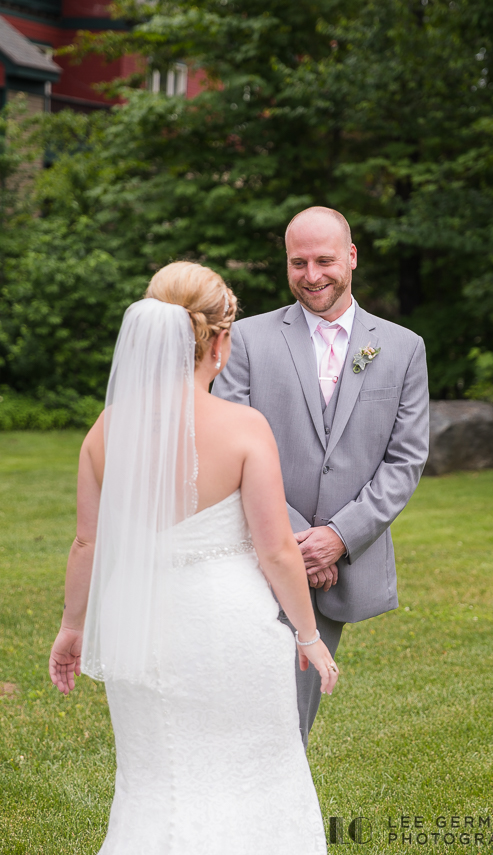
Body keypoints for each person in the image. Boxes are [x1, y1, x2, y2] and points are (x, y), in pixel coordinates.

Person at [49, 261, 339, 855]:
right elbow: (277, 548)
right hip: (228, 628)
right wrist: (308, 635)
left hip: (141, 627)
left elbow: (88, 542)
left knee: (157, 780)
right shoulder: (243, 426)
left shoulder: (106, 430)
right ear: (220, 339)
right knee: (252, 778)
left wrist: (72, 627)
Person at [213, 206, 429, 747]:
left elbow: (405, 460)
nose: (312, 276)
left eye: (325, 260)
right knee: (246, 707)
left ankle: (273, 818)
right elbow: (226, 447)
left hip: (339, 565)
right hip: (252, 553)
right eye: (298, 262)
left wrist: (336, 538)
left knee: (292, 719)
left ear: (351, 257)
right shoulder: (244, 341)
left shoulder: (403, 348)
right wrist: (294, 541)